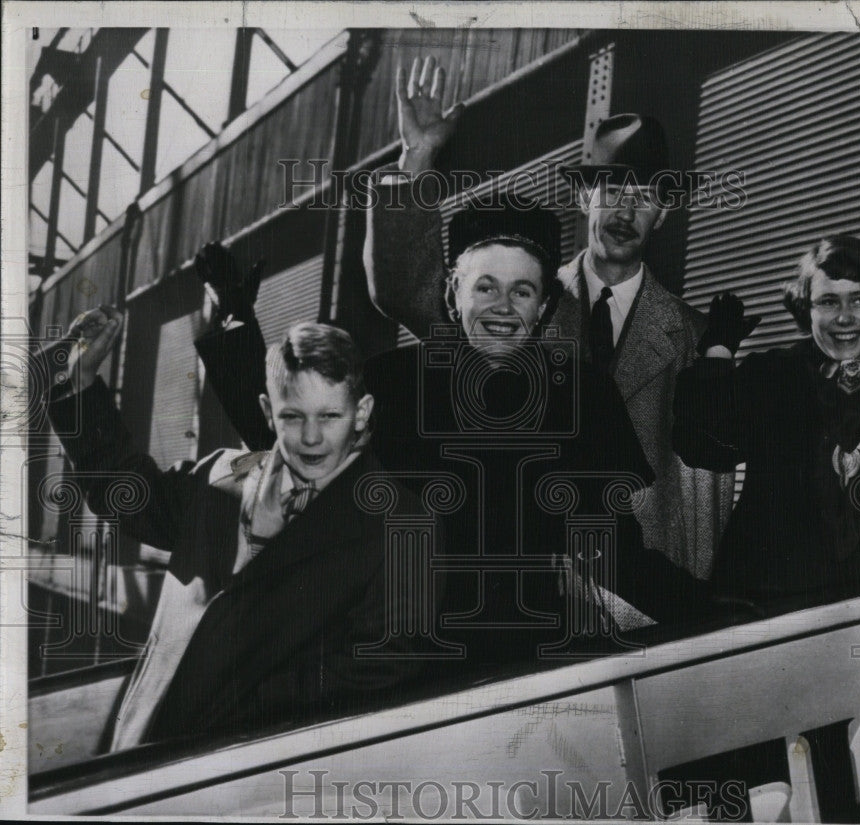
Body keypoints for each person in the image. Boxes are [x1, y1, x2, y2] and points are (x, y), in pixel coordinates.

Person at [195, 206, 709, 672]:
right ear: (453, 295)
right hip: (387, 657)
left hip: (521, 659)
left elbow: (611, 550)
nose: (503, 307)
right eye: (485, 287)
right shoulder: (392, 382)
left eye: (522, 291)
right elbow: (292, 442)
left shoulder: (583, 396)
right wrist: (237, 320)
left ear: (545, 307)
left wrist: (712, 608)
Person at [364, 56, 733, 581]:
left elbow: (704, 493)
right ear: (584, 197)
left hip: (639, 581)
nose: (625, 213)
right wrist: (418, 158)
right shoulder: (519, 303)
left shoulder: (696, 335)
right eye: (611, 192)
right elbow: (407, 288)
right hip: (535, 575)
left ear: (664, 212)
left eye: (644, 197)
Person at [44, 309, 439, 750]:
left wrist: (249, 703)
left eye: (329, 416)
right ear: (268, 412)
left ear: (361, 413)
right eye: (293, 416)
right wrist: (78, 384)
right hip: (141, 744)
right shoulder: (225, 471)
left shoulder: (401, 521)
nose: (311, 438)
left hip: (249, 768)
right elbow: (129, 497)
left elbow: (389, 659)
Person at [672, 235, 860, 608]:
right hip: (770, 607)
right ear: (806, 310)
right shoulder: (769, 376)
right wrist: (718, 351)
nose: (844, 317)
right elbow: (704, 447)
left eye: (859, 299)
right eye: (828, 302)